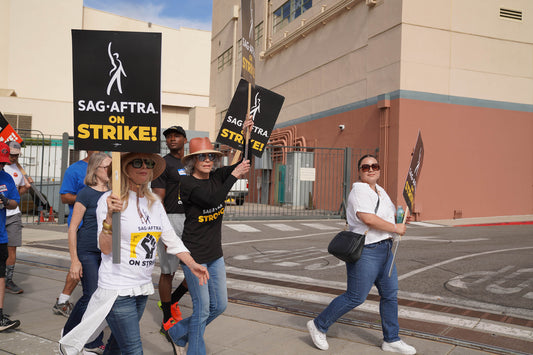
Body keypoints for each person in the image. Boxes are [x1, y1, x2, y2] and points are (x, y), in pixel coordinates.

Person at [59, 151, 209, 355]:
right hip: (118, 289)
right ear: (125, 170)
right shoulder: (110, 200)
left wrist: (192, 264)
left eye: (148, 163)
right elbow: (105, 248)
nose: (144, 167)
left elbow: (171, 239)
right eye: (137, 162)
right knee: (133, 350)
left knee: (117, 347)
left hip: (141, 287)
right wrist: (111, 217)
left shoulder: (154, 201)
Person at [307, 154, 416, 354]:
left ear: (379, 169)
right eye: (366, 167)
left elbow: (386, 216)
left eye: (375, 165)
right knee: (356, 296)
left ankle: (391, 339)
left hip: (385, 249)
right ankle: (318, 325)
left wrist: (399, 221)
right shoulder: (359, 191)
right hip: (367, 250)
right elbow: (368, 219)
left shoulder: (381, 191)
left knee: (390, 295)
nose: (371, 169)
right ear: (360, 171)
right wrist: (394, 227)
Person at [167, 130, 252, 355]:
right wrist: (234, 176)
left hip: (215, 254)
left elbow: (244, 161)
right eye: (201, 157)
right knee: (203, 310)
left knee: (219, 306)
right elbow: (213, 199)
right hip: (194, 255)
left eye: (210, 157)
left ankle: (176, 332)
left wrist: (246, 135)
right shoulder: (187, 184)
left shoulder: (217, 176)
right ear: (193, 160)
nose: (207, 160)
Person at [62, 153, 111, 354]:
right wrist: (75, 260)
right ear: (95, 170)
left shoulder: (114, 193)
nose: (110, 170)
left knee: (106, 296)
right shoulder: (85, 193)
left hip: (107, 251)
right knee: (91, 295)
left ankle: (91, 338)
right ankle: (70, 334)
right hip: (88, 250)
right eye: (107, 167)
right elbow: (73, 228)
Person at [151, 126, 189, 337]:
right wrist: (165, 231)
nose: (172, 139)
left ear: (184, 139)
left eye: (176, 136)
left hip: (191, 222)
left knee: (197, 269)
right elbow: (158, 200)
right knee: (168, 272)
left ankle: (172, 301)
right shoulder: (163, 164)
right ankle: (167, 319)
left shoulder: (191, 162)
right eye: (169, 137)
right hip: (171, 220)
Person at [53, 151, 97, 317]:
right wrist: (88, 197)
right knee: (80, 266)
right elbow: (65, 197)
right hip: (82, 226)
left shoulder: (109, 167)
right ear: (87, 149)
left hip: (102, 228)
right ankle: (63, 301)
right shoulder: (74, 169)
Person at [4, 141, 32, 294]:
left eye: (16, 155)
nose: (13, 157)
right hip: (2, 213)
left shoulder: (18, 170)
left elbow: (16, 194)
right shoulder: (3, 167)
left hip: (13, 214)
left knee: (12, 249)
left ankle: (8, 280)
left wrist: (25, 188)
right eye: (11, 154)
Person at [0, 142, 21, 332]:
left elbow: (15, 202)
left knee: (0, 276)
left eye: (3, 162)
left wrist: (6, 201)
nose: (1, 165)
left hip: (0, 236)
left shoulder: (6, 177)